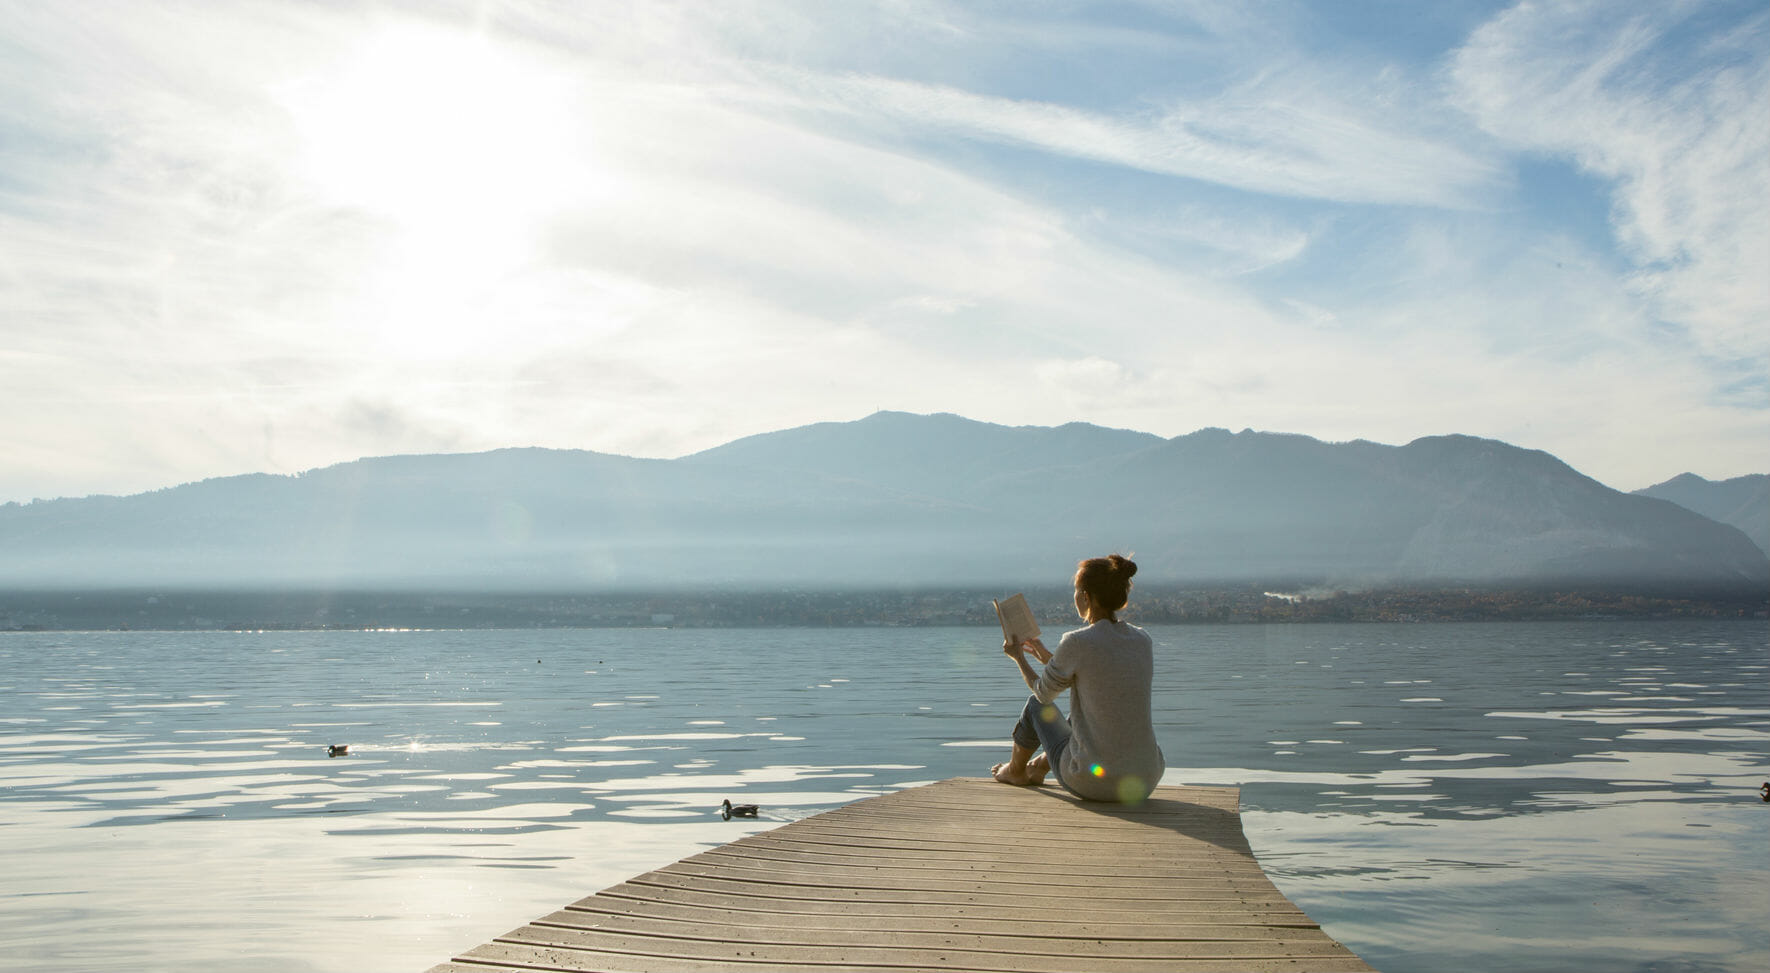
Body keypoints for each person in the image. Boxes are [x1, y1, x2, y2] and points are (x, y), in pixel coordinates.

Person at [991, 554, 1165, 804]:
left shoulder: (1077, 641)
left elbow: (1043, 693)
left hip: (1095, 782)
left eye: (1076, 591)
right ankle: (1038, 768)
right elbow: (1097, 679)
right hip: (1146, 779)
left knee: (1035, 705)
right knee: (1085, 710)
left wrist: (1019, 657)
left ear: (1085, 597)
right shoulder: (1142, 640)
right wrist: (1048, 659)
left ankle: (1015, 771)